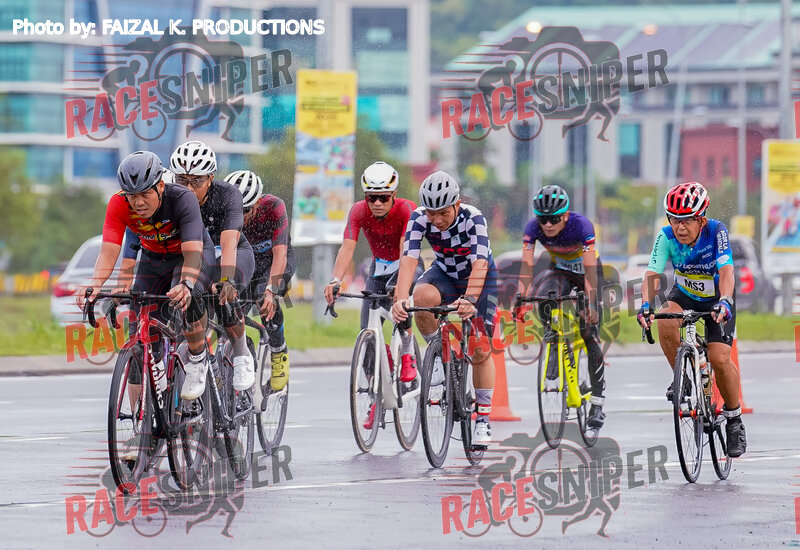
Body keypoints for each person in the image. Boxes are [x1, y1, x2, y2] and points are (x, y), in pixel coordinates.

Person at [80, 151, 215, 401]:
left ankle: (197, 357)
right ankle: (146, 407)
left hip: (190, 255)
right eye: (132, 195)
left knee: (190, 295)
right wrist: (96, 284)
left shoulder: (182, 198)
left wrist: (186, 284)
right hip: (153, 261)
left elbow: (193, 252)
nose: (138, 202)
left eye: (144, 194)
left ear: (160, 186)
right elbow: (109, 251)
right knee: (140, 331)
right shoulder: (119, 204)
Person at [637, 181, 746, 457]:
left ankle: (734, 420)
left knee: (720, 359)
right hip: (685, 293)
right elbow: (652, 273)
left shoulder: (716, 231)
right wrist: (646, 305)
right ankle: (683, 376)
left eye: (686, 220)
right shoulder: (666, 236)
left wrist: (725, 300)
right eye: (674, 220)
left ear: (701, 220)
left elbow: (727, 270)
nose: (680, 227)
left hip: (717, 298)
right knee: (664, 317)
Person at [391, 171, 497, 447]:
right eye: (432, 214)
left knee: (480, 348)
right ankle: (438, 354)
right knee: (420, 296)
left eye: (443, 213)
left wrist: (470, 299)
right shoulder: (418, 217)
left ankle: (483, 419)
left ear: (457, 205)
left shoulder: (473, 218)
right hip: (446, 273)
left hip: (479, 277)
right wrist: (400, 300)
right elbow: (409, 258)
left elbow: (480, 263)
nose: (437, 220)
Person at [517, 184, 607, 430]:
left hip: (588, 274)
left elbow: (590, 268)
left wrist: (590, 302)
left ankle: (597, 403)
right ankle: (554, 337)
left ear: (566, 215)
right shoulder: (532, 228)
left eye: (554, 219)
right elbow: (526, 266)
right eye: (543, 219)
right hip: (561, 272)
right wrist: (521, 297)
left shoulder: (582, 226)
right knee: (543, 297)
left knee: (589, 333)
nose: (547, 224)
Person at [170, 141, 256, 392]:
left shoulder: (228, 195)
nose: (188, 188)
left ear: (210, 179)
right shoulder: (170, 197)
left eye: (196, 181)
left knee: (222, 291)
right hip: (198, 257)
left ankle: (241, 353)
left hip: (232, 252)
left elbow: (229, 244)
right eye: (181, 180)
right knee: (184, 294)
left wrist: (227, 279)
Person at [225, 169, 296, 391]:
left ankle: (278, 350)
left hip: (273, 258)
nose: (241, 217)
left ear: (257, 202)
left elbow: (280, 254)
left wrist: (271, 291)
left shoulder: (274, 207)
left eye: (246, 210)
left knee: (264, 300)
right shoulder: (222, 208)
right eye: (236, 210)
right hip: (245, 259)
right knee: (229, 305)